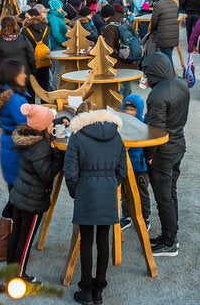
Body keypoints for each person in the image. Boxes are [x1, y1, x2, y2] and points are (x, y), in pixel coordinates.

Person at [64, 107, 127, 305]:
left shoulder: (77, 137)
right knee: (103, 240)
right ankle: (99, 290)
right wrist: (110, 184)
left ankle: (85, 289)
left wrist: (77, 192)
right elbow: (122, 170)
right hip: (107, 191)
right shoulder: (116, 136)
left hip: (85, 191)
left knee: (86, 241)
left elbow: (70, 172)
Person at [7, 103, 63, 282]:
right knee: (26, 239)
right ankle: (19, 276)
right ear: (44, 126)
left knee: (16, 233)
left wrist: (58, 122)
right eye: (51, 122)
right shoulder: (42, 147)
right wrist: (57, 156)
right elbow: (47, 173)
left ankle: (10, 271)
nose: (52, 123)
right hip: (33, 200)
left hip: (20, 194)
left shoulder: (28, 138)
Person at [141, 51, 190, 257]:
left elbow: (156, 130)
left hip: (163, 151)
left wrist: (149, 155)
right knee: (171, 192)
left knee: (164, 197)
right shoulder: (181, 84)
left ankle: (170, 241)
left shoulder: (158, 95)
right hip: (178, 145)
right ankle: (170, 234)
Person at [0, 58, 33, 262]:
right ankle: (6, 248)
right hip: (16, 151)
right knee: (16, 201)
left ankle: (6, 247)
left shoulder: (1, 93)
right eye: (22, 72)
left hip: (8, 148)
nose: (25, 75)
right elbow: (28, 124)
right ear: (14, 76)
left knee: (13, 197)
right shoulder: (15, 100)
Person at [118, 95, 150, 231]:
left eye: (132, 110)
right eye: (127, 109)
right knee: (125, 193)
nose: (129, 112)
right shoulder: (121, 124)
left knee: (141, 192)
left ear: (139, 110)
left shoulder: (143, 124)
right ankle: (127, 216)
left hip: (139, 166)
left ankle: (145, 216)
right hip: (125, 165)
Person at [0, 16, 36, 80]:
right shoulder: (23, 39)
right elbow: (31, 57)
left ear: (2, 26)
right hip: (22, 74)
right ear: (15, 25)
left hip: (2, 75)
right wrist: (33, 72)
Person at [21, 6, 52, 92]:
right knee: (44, 89)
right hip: (44, 59)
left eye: (27, 17)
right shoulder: (47, 28)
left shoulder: (25, 30)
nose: (25, 19)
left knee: (30, 89)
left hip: (30, 62)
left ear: (33, 17)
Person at [148, 0, 180, 66]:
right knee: (168, 55)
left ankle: (170, 73)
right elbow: (176, 16)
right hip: (174, 34)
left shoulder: (157, 5)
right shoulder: (173, 3)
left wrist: (152, 31)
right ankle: (169, 72)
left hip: (164, 35)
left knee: (167, 58)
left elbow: (154, 21)